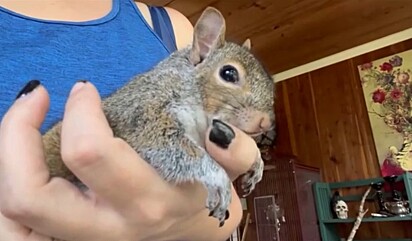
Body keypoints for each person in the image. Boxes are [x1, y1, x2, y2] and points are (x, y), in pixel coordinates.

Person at [0, 0, 261, 240]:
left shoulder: (166, 26)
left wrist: (201, 217)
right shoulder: (174, 78)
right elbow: (154, 135)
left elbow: (225, 208)